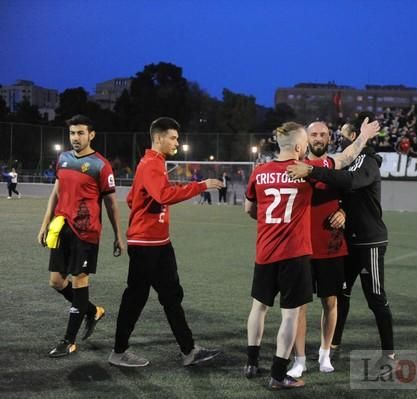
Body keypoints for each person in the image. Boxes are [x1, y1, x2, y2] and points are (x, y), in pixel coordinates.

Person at [244, 118, 379, 389]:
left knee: (259, 308)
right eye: (305, 141)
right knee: (291, 314)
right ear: (297, 146)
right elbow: (345, 157)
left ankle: (251, 362)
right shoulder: (307, 169)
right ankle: (278, 374)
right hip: (293, 253)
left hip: (265, 252)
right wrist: (362, 137)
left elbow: (249, 209)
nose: (308, 145)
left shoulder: (259, 171)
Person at [109, 117, 223, 368]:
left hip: (159, 242)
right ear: (158, 138)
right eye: (173, 138)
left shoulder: (156, 163)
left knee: (172, 296)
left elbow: (132, 198)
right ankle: (118, 351)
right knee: (136, 298)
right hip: (145, 244)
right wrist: (200, 186)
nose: (177, 142)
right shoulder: (151, 163)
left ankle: (189, 350)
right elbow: (163, 195)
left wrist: (142, 207)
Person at [287, 117, 395, 375]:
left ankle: (389, 352)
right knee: (340, 297)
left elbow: (351, 183)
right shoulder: (345, 159)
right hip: (345, 242)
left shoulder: (367, 162)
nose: (339, 135)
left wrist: (313, 172)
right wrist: (344, 210)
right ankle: (332, 345)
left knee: (376, 299)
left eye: (344, 131)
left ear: (357, 135)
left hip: (369, 242)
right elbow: (344, 193)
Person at [37, 114, 125, 357]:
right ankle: (92, 311)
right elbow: (55, 193)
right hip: (62, 227)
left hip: (86, 232)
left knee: (79, 281)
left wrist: (119, 235)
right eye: (72, 133)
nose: (75, 138)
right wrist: (45, 223)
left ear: (91, 135)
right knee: (56, 281)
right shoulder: (63, 159)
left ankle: (69, 340)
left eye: (80, 133)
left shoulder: (101, 165)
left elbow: (111, 204)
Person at [287, 121, 347, 378]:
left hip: (331, 246)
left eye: (323, 134)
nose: (319, 138)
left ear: (329, 138)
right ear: (306, 138)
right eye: (314, 134)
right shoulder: (294, 166)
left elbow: (351, 195)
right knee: (300, 306)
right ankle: (299, 359)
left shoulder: (334, 165)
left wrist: (345, 211)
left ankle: (325, 353)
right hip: (300, 247)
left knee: (330, 301)